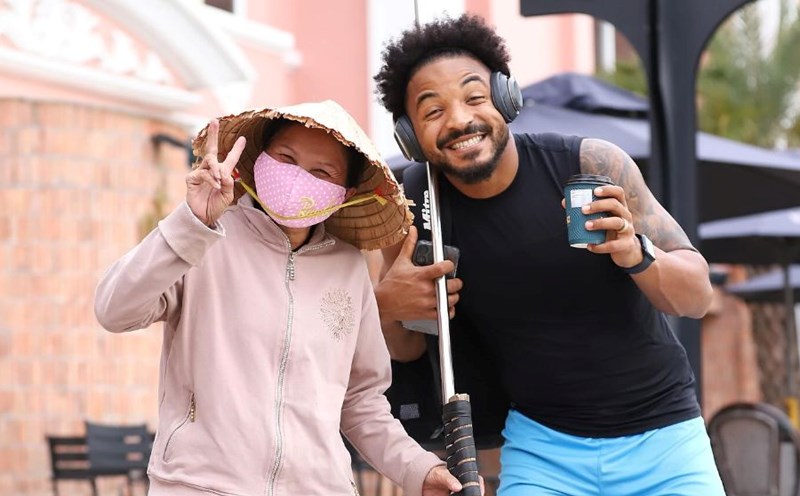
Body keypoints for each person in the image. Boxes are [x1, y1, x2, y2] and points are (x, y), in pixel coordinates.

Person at [372, 14, 726, 495]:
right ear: (408, 135)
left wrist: (635, 251)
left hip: (665, 440)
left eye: (475, 97)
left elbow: (697, 297)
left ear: (505, 97)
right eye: (432, 112)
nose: (459, 120)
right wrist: (389, 308)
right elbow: (408, 348)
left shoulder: (589, 163)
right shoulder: (415, 206)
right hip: (543, 452)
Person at [94, 100, 470, 496]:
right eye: (285, 158)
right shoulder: (204, 238)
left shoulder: (348, 266)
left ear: (344, 194)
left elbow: (361, 402)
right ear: (260, 162)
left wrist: (419, 469)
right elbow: (114, 310)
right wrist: (193, 223)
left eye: (321, 172)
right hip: (200, 485)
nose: (296, 178)